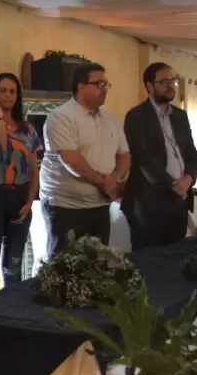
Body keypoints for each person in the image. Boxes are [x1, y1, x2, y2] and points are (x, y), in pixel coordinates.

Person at [39, 63, 130, 253]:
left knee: (98, 262)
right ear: (81, 86)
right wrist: (104, 182)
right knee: (65, 265)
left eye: (106, 84)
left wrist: (115, 178)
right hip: (66, 207)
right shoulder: (61, 117)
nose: (105, 89)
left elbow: (124, 155)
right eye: (99, 84)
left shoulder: (110, 119)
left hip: (100, 205)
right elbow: (71, 160)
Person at [122, 62, 197, 249]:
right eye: (164, 82)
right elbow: (142, 158)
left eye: (173, 81)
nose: (171, 86)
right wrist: (173, 185)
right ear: (150, 86)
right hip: (149, 202)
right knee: (150, 259)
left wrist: (189, 179)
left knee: (176, 256)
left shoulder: (180, 116)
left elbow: (191, 152)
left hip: (179, 200)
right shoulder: (136, 116)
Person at [0, 73, 39, 293]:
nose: (7, 95)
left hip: (20, 198)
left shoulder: (28, 130)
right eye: (2, 90)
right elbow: (0, 150)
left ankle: (11, 310)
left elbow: (33, 169)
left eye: (12, 91)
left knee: (13, 269)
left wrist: (29, 202)